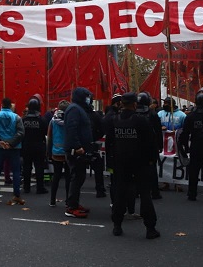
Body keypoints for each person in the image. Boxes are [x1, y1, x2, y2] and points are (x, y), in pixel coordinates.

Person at [105, 92, 160, 239]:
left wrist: (111, 162)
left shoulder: (114, 120)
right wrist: (152, 160)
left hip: (121, 163)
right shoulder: (141, 120)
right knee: (145, 194)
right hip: (140, 163)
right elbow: (151, 142)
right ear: (135, 104)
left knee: (120, 194)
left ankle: (117, 225)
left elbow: (109, 143)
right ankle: (150, 228)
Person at [0, 98, 25, 204]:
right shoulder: (16, 117)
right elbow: (21, 133)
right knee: (16, 171)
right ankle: (16, 195)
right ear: (10, 106)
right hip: (14, 148)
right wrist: (11, 143)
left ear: (2, 105)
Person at [64, 87, 95, 218]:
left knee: (79, 177)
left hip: (80, 149)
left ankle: (74, 203)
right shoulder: (75, 109)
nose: (89, 99)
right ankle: (71, 207)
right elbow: (72, 128)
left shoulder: (78, 109)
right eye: (87, 97)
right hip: (76, 151)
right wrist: (77, 146)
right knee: (77, 177)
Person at [181, 89, 203, 201]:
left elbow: (185, 134)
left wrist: (186, 148)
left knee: (194, 171)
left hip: (196, 147)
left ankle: (192, 193)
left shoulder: (191, 116)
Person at [22, 96, 49, 194]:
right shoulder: (42, 120)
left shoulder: (24, 120)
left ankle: (26, 187)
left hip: (26, 145)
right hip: (38, 145)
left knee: (26, 167)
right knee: (39, 167)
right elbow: (46, 133)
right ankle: (40, 187)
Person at [47, 101, 71, 207]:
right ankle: (68, 201)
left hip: (56, 151)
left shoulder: (53, 121)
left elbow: (49, 137)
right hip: (68, 151)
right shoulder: (70, 120)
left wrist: (48, 152)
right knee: (68, 177)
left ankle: (52, 200)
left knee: (56, 176)